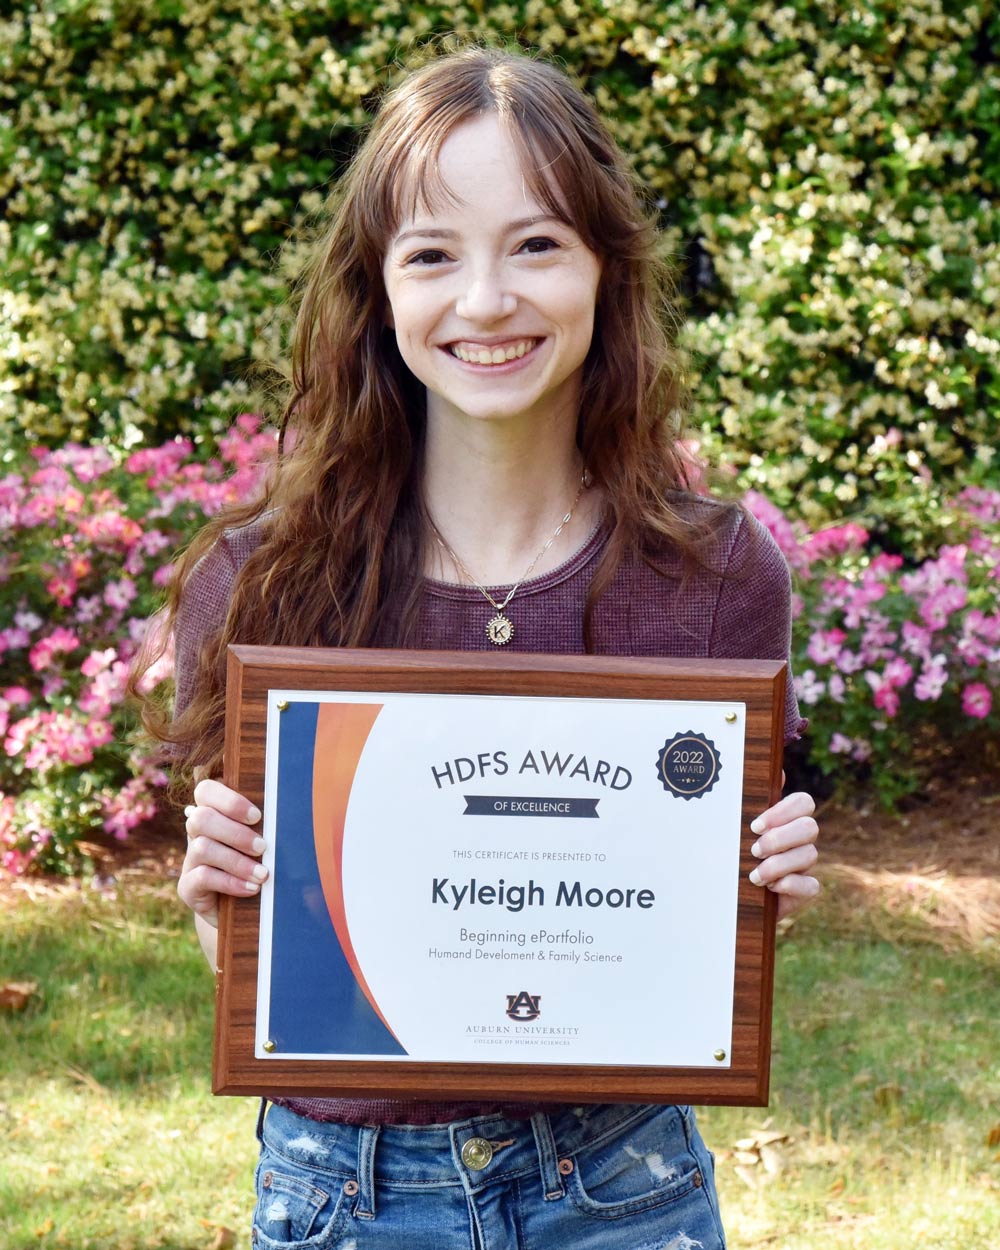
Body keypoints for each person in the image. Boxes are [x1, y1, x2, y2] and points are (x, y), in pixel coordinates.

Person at [143, 45, 820, 1250]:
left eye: (537, 243)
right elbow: (279, 973)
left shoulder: (719, 579)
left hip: (623, 1180)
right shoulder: (264, 585)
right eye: (433, 253)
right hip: (345, 1189)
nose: (487, 299)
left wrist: (758, 896)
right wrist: (220, 918)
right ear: (379, 288)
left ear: (607, 269)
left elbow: (696, 944)